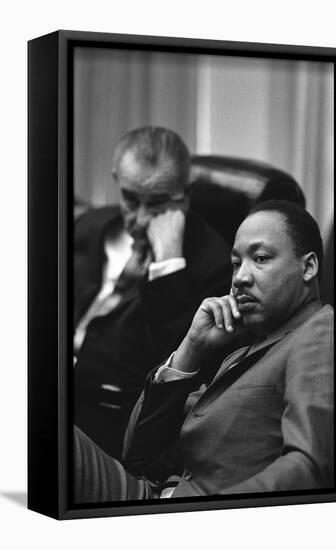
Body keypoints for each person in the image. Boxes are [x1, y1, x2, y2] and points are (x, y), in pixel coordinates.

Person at [73, 199, 334, 502]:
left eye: (260, 258)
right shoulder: (240, 348)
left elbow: (310, 465)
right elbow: (136, 456)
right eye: (236, 263)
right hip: (149, 493)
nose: (240, 278)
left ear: (308, 267)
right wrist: (191, 347)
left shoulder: (320, 330)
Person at [73, 127, 231, 458]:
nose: (141, 220)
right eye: (131, 199)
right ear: (117, 180)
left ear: (184, 195)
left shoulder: (215, 265)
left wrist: (169, 264)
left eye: (159, 204)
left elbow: (180, 374)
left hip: (111, 428)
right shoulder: (88, 228)